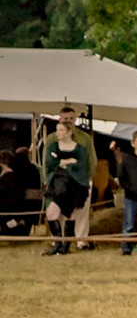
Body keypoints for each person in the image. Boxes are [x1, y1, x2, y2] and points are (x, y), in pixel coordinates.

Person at [40, 109, 94, 254]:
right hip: (56, 184)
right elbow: (50, 162)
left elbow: (85, 164)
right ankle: (56, 243)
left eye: (70, 118)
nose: (59, 132)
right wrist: (65, 162)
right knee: (52, 213)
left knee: (72, 214)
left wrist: (67, 166)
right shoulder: (52, 143)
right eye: (58, 129)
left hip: (75, 184)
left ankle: (70, 245)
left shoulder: (83, 142)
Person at [0, 146, 31, 237]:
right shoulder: (8, 175)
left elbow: (9, 194)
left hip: (9, 205)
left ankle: (14, 224)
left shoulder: (10, 176)